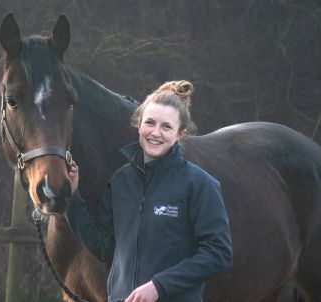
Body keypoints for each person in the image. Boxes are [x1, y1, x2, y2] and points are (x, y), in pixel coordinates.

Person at [65, 80, 232, 302]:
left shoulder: (200, 184)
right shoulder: (120, 181)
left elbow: (218, 253)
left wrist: (159, 286)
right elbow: (104, 247)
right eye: (150, 123)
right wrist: (72, 198)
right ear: (138, 124)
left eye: (166, 127)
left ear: (180, 134)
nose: (156, 133)